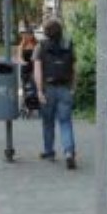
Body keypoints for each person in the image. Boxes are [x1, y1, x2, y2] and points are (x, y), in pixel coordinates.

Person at [33, 17, 76, 169]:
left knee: (48, 122)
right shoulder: (68, 45)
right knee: (65, 122)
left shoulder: (40, 46)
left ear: (46, 32)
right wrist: (73, 87)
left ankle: (49, 151)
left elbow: (38, 71)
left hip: (48, 89)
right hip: (65, 88)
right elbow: (74, 69)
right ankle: (69, 152)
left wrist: (39, 90)